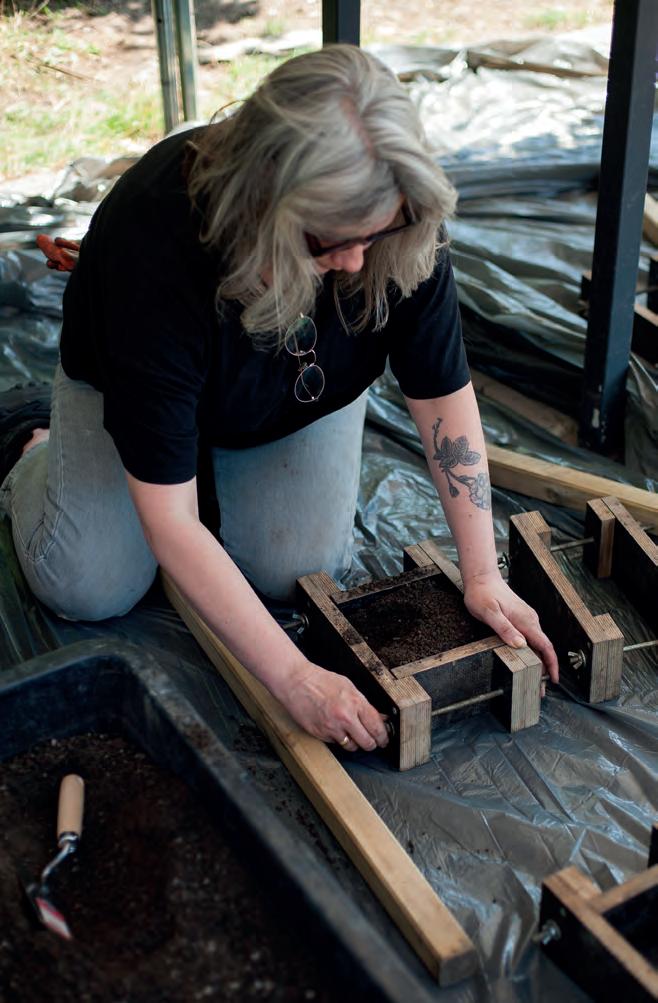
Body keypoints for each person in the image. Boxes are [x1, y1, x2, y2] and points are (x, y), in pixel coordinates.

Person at [0, 44, 558, 755]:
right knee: (87, 584)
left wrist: (481, 573)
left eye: (375, 233)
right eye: (328, 241)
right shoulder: (155, 243)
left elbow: (442, 396)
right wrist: (293, 677)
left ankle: (206, 467)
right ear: (264, 204)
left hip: (290, 396)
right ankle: (33, 442)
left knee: (294, 571)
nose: (354, 261)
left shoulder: (399, 211)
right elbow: (171, 521)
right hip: (132, 394)